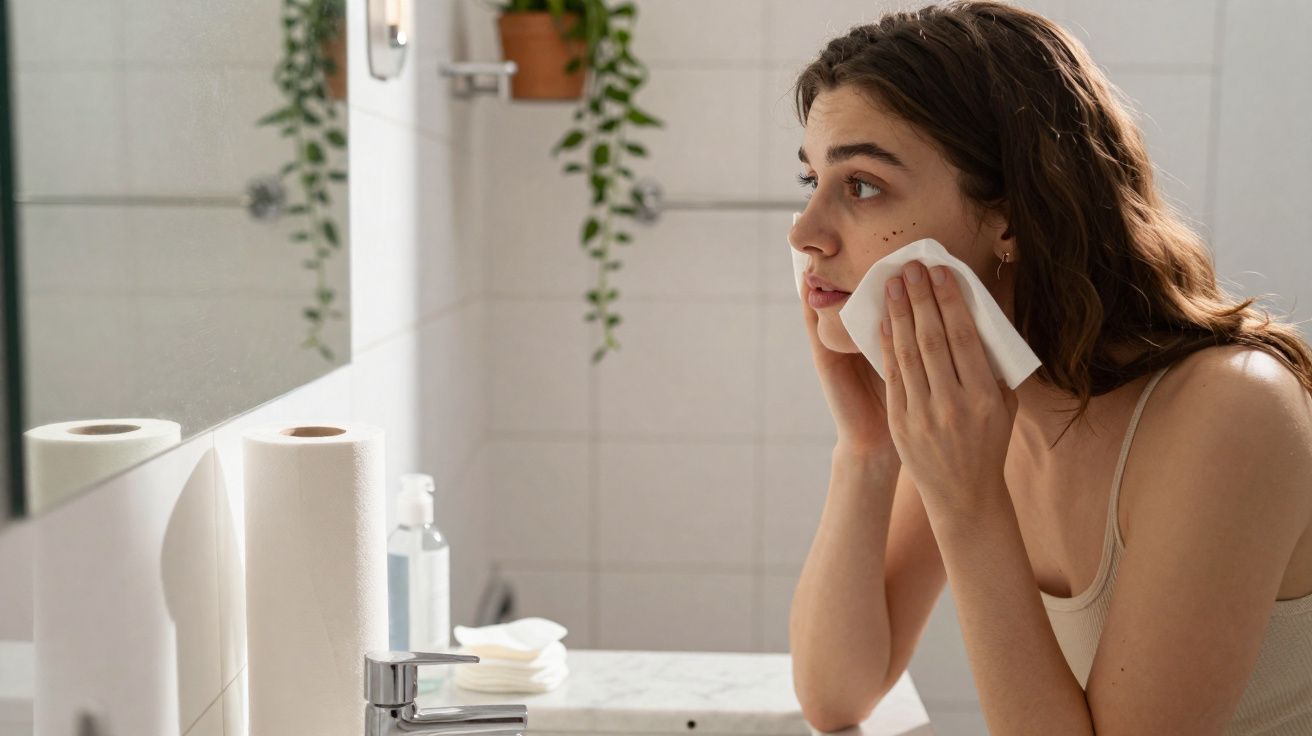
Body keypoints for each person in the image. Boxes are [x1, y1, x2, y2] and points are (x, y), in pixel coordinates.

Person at [786, 2, 1312, 733]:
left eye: (862, 185)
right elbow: (836, 693)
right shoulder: (985, 406)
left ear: (1010, 216)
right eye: (809, 180)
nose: (804, 232)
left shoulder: (1232, 409)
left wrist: (969, 505)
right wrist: (868, 451)